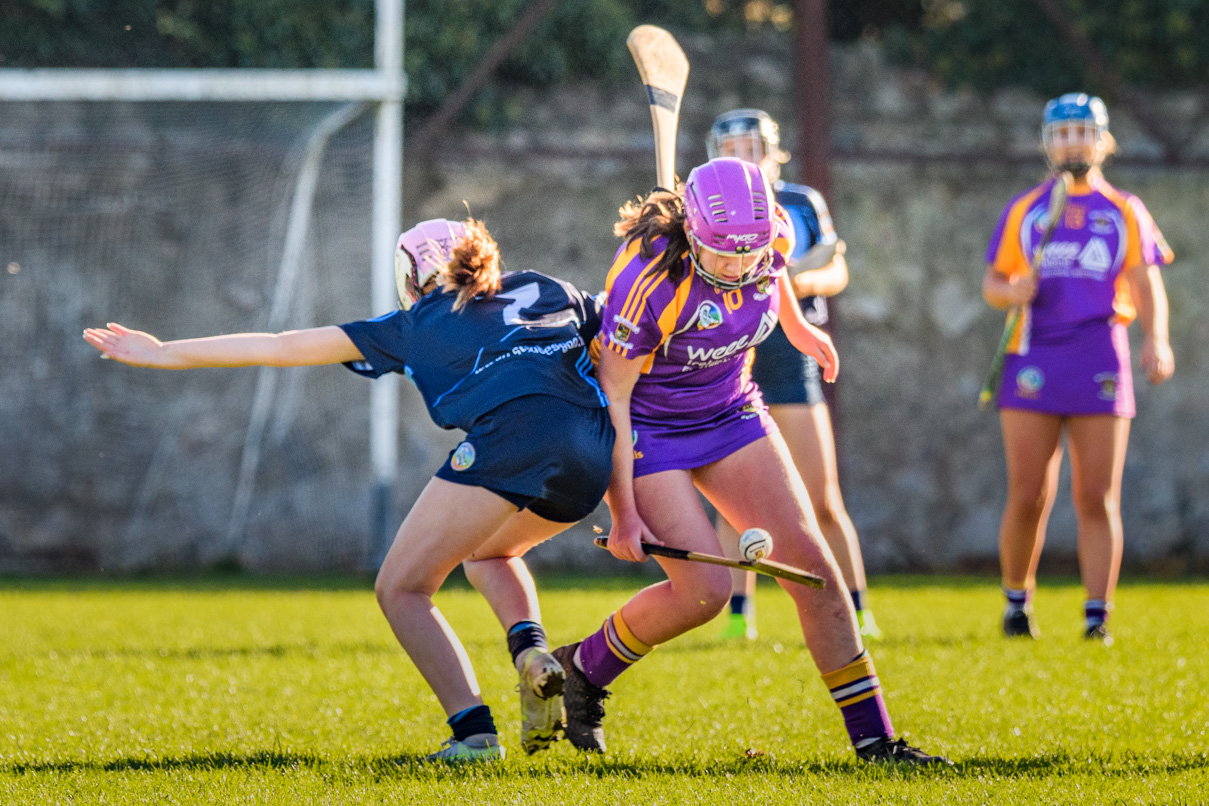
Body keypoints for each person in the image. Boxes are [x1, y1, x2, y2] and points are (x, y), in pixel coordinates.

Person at [83, 217, 616, 761]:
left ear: (412, 277)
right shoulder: (545, 287)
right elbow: (628, 316)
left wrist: (166, 351)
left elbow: (281, 345)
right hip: (593, 452)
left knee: (402, 589)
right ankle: (531, 654)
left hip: (512, 439)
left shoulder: (410, 325)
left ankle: (474, 735)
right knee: (490, 554)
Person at [550, 157, 950, 765]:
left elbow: (778, 272)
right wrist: (624, 512)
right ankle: (583, 667)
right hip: (650, 430)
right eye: (723, 257)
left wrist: (797, 329)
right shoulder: (648, 280)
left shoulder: (770, 236)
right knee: (705, 592)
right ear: (692, 234)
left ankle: (876, 741)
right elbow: (617, 397)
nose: (738, 269)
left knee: (814, 567)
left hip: (732, 411)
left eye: (749, 255)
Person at [983, 94, 1174, 644]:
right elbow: (993, 284)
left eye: (1083, 132)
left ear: (1104, 141)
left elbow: (1146, 285)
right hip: (1032, 358)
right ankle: (1017, 604)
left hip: (1100, 357)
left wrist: (1156, 340)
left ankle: (1098, 617)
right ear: (1047, 142)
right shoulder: (1025, 210)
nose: (1073, 142)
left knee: (1096, 496)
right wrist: (1012, 290)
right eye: (1062, 133)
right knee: (1028, 494)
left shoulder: (1126, 210)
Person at [706, 108, 881, 642]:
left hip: (792, 354)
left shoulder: (801, 201)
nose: (745, 156)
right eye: (732, 147)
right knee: (731, 499)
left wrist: (789, 281)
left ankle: (856, 608)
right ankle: (739, 616)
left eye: (754, 145)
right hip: (733, 354)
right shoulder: (707, 202)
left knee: (823, 497)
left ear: (774, 150)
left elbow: (837, 266)